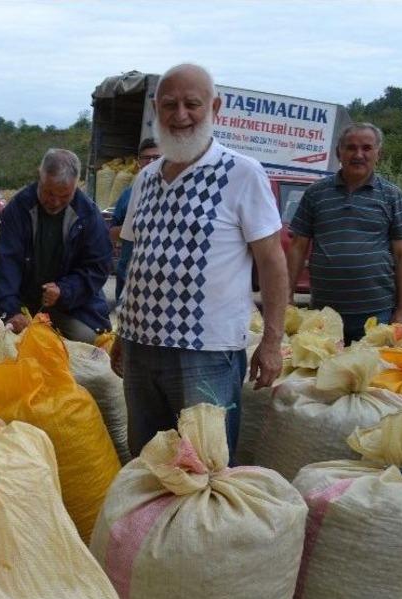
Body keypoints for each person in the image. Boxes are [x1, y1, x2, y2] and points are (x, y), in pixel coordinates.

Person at [111, 63, 288, 459]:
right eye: (169, 105)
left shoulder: (242, 173)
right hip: (141, 349)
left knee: (205, 464)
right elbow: (134, 259)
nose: (180, 115)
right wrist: (123, 330)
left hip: (205, 353)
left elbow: (273, 263)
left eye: (192, 104)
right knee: (147, 463)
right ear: (156, 109)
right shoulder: (145, 179)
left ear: (215, 108)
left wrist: (272, 341)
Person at [286, 122, 402, 344]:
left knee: (370, 376)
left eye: (366, 148)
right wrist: (286, 298)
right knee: (321, 374)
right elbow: (298, 247)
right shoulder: (316, 193)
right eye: (351, 147)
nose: (358, 154)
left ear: (378, 154)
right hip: (324, 313)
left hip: (377, 313)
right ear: (339, 152)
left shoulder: (393, 196)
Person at [0, 148, 112, 344]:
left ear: (76, 185)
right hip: (22, 296)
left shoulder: (88, 215)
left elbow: (97, 268)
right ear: (40, 176)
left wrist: (64, 291)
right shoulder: (19, 208)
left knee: (90, 338)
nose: (55, 202)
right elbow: (7, 264)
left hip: (69, 304)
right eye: (49, 193)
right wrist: (11, 311)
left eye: (65, 196)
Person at [110, 139, 162, 303]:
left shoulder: (175, 195)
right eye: (146, 158)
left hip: (160, 278)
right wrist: (135, 224)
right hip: (127, 273)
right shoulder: (127, 195)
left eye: (156, 157)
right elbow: (112, 232)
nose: (151, 162)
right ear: (139, 162)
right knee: (121, 323)